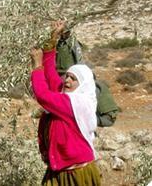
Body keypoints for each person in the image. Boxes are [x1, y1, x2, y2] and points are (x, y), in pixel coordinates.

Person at [30, 21, 101, 185]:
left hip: (76, 173)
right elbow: (51, 74)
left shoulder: (77, 103)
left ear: (82, 85)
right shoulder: (68, 96)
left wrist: (36, 66)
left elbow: (42, 95)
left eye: (73, 78)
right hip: (59, 169)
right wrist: (52, 40)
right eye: (67, 76)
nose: (67, 80)